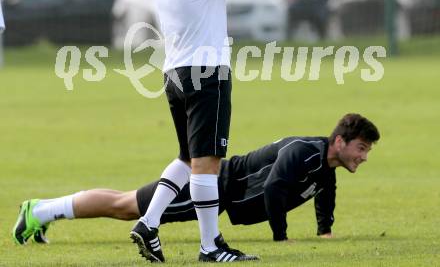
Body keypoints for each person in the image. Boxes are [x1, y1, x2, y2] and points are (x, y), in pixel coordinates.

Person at [129, 0, 344, 263]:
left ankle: (148, 223)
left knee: (186, 158)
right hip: (205, 72)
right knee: (207, 162)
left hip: (175, 72)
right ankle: (210, 246)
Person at [13, 113, 379, 249]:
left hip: (216, 191)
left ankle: (42, 210)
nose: (363, 157)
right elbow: (273, 189)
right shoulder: (305, 151)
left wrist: (324, 231)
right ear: (340, 141)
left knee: (126, 201)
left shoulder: (324, 166)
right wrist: (280, 238)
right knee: (126, 207)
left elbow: (324, 193)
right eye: (361, 148)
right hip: (212, 185)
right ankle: (41, 210)